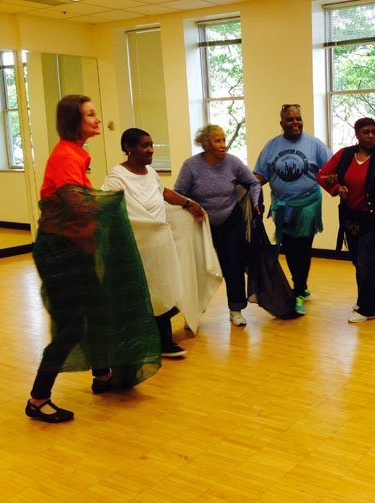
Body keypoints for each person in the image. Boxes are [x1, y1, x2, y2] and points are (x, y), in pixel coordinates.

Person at [26, 96, 160, 423]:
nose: (98, 119)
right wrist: (116, 200)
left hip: (75, 249)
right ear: (75, 121)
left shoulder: (76, 154)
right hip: (60, 253)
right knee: (70, 327)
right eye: (90, 115)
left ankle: (102, 376)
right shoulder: (65, 157)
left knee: (100, 310)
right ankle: (38, 399)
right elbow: (78, 204)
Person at [102, 128, 206, 357]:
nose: (150, 150)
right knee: (150, 293)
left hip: (159, 244)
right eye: (144, 145)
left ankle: (156, 339)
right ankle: (160, 342)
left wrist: (189, 204)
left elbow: (163, 193)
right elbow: (113, 208)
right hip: (137, 244)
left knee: (166, 290)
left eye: (151, 145)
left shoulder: (150, 172)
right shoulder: (116, 177)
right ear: (128, 148)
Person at [318, 117, 375, 323]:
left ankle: (367, 308)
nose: (371, 136)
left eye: (373, 132)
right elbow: (323, 175)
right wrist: (336, 189)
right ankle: (374, 297)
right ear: (357, 134)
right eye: (366, 132)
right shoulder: (345, 155)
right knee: (358, 260)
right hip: (351, 219)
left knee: (364, 259)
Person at [175, 125, 261, 327]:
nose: (223, 145)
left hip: (231, 220)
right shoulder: (191, 166)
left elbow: (254, 183)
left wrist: (257, 202)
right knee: (199, 268)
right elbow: (178, 193)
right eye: (217, 141)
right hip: (201, 224)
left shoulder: (233, 163)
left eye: (224, 140)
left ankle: (236, 309)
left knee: (234, 266)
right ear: (205, 144)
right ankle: (194, 310)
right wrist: (191, 207)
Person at [254, 104, 332, 314]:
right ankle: (302, 286)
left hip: (307, 206)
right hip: (282, 206)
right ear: (282, 123)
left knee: (303, 248)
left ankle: (297, 291)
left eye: (298, 118)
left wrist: (342, 184)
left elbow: (331, 169)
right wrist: (241, 185)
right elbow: (260, 175)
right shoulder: (271, 146)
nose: (295, 122)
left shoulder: (314, 144)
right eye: (290, 119)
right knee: (289, 248)